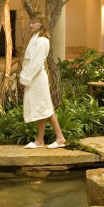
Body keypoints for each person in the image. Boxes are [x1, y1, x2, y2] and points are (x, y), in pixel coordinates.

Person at [19, 16, 67, 149]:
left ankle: (60, 137)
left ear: (41, 24)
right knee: (42, 108)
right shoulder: (35, 39)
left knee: (45, 107)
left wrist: (26, 78)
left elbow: (36, 62)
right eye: (31, 22)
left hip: (37, 78)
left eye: (34, 23)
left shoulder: (42, 41)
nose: (31, 25)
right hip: (33, 77)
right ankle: (40, 140)